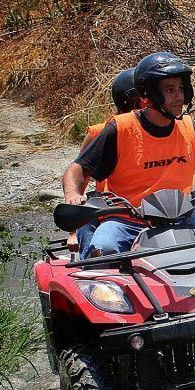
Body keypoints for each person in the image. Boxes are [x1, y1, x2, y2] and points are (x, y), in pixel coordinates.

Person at [62, 52, 195, 258]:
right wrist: (72, 195)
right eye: (170, 90)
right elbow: (77, 170)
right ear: (149, 94)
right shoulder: (120, 129)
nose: (179, 96)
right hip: (127, 220)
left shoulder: (190, 127)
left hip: (184, 215)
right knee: (103, 249)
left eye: (181, 88)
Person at [66, 68, 145, 253]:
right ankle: (90, 270)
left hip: (147, 207)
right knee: (89, 229)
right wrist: (72, 232)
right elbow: (81, 179)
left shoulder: (157, 131)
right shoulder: (101, 132)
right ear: (135, 101)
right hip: (107, 206)